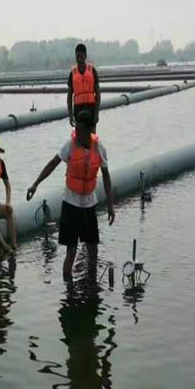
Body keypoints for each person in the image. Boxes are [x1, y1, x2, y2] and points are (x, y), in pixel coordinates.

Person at [26, 109, 115, 279]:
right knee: (71, 250)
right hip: (71, 203)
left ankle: (92, 283)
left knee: (93, 247)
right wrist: (35, 184)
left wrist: (110, 205)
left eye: (81, 130)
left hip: (89, 203)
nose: (78, 133)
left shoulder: (99, 148)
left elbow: (106, 176)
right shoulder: (70, 145)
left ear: (90, 130)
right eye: (77, 130)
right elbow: (53, 163)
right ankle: (68, 289)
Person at [66, 43, 101, 128]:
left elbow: (98, 94)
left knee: (92, 136)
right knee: (80, 135)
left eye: (81, 56)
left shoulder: (92, 71)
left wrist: (96, 114)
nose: (79, 59)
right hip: (78, 110)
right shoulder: (73, 73)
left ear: (85, 56)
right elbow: (69, 97)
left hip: (91, 108)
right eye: (77, 57)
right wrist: (70, 116)